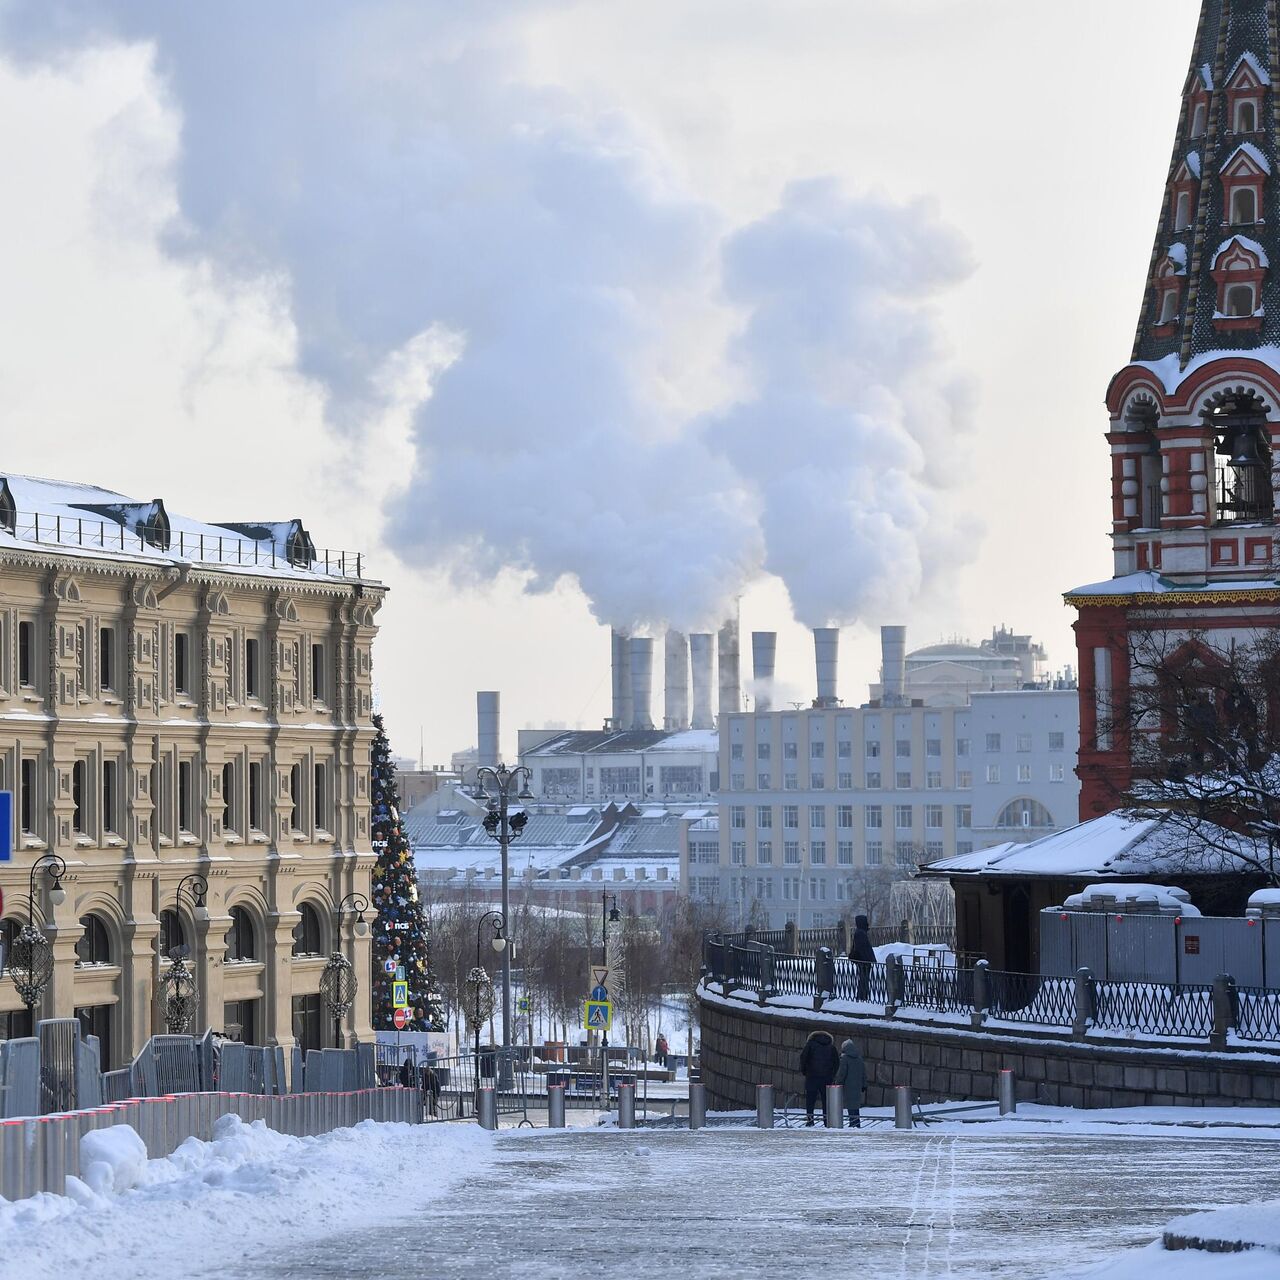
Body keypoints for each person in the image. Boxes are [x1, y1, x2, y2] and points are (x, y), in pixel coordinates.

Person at [798, 1029, 839, 1126]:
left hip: (812, 1077)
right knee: (826, 1101)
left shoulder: (810, 1045)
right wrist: (832, 1075)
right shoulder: (831, 1047)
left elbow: (803, 1058)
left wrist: (805, 1071)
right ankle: (826, 1121)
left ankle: (810, 1120)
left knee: (810, 1100)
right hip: (827, 1078)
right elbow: (836, 1062)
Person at [834, 1038, 867, 1128]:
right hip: (857, 1086)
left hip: (848, 1086)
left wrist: (838, 1083)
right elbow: (863, 1073)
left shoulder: (845, 1059)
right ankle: (856, 1123)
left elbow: (842, 1073)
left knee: (850, 1105)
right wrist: (864, 1085)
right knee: (855, 1105)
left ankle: (853, 1123)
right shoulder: (859, 1058)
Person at [849, 913, 876, 1001]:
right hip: (864, 961)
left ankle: (862, 996)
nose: (867, 923)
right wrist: (868, 960)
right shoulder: (860, 933)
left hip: (863, 960)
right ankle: (862, 996)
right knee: (864, 979)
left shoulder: (860, 932)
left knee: (864, 979)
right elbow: (863, 949)